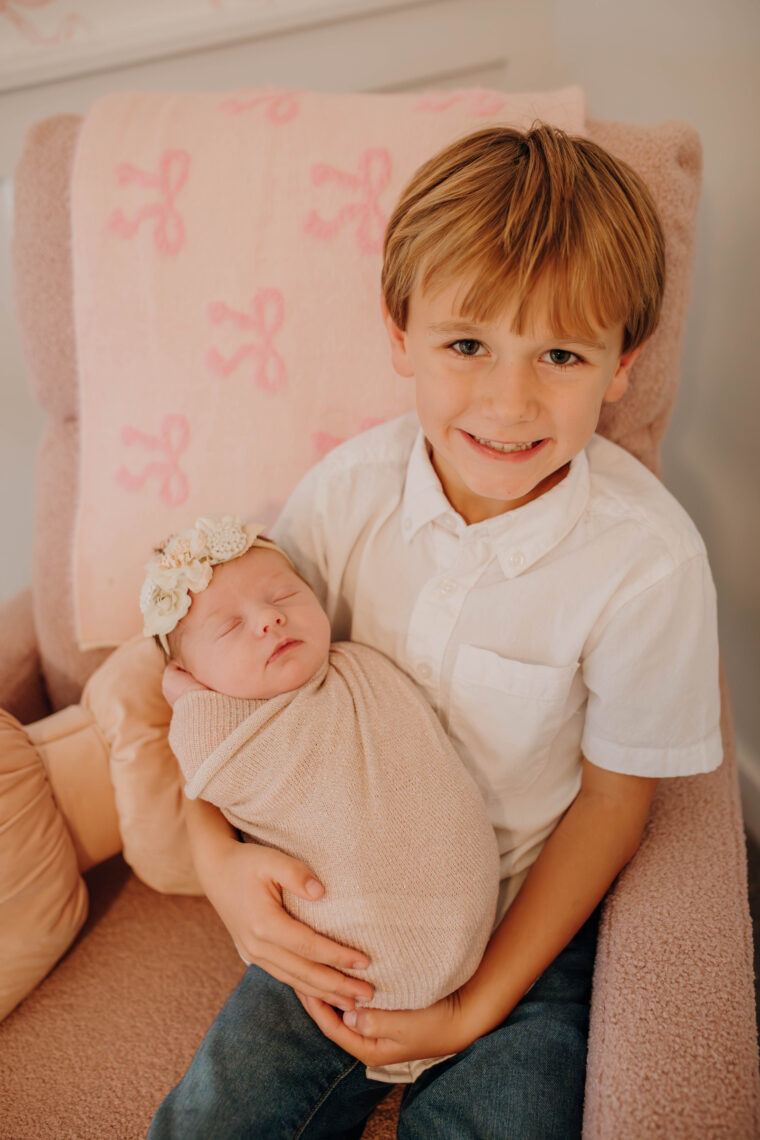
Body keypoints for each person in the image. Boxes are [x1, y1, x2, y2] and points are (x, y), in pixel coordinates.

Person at [148, 124, 722, 1139]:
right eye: (467, 345)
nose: (509, 401)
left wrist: (480, 1002)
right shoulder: (345, 495)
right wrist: (222, 870)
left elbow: (610, 806)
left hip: (522, 925)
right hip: (344, 907)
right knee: (213, 1121)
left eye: (560, 354)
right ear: (400, 334)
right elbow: (229, 698)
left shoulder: (648, 560)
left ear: (620, 366)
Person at [139, 513, 500, 1084]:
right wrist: (188, 701)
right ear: (190, 674)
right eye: (231, 627)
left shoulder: (362, 671)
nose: (269, 618)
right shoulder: (234, 736)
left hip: (476, 926)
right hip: (341, 961)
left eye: (283, 595)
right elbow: (209, 766)